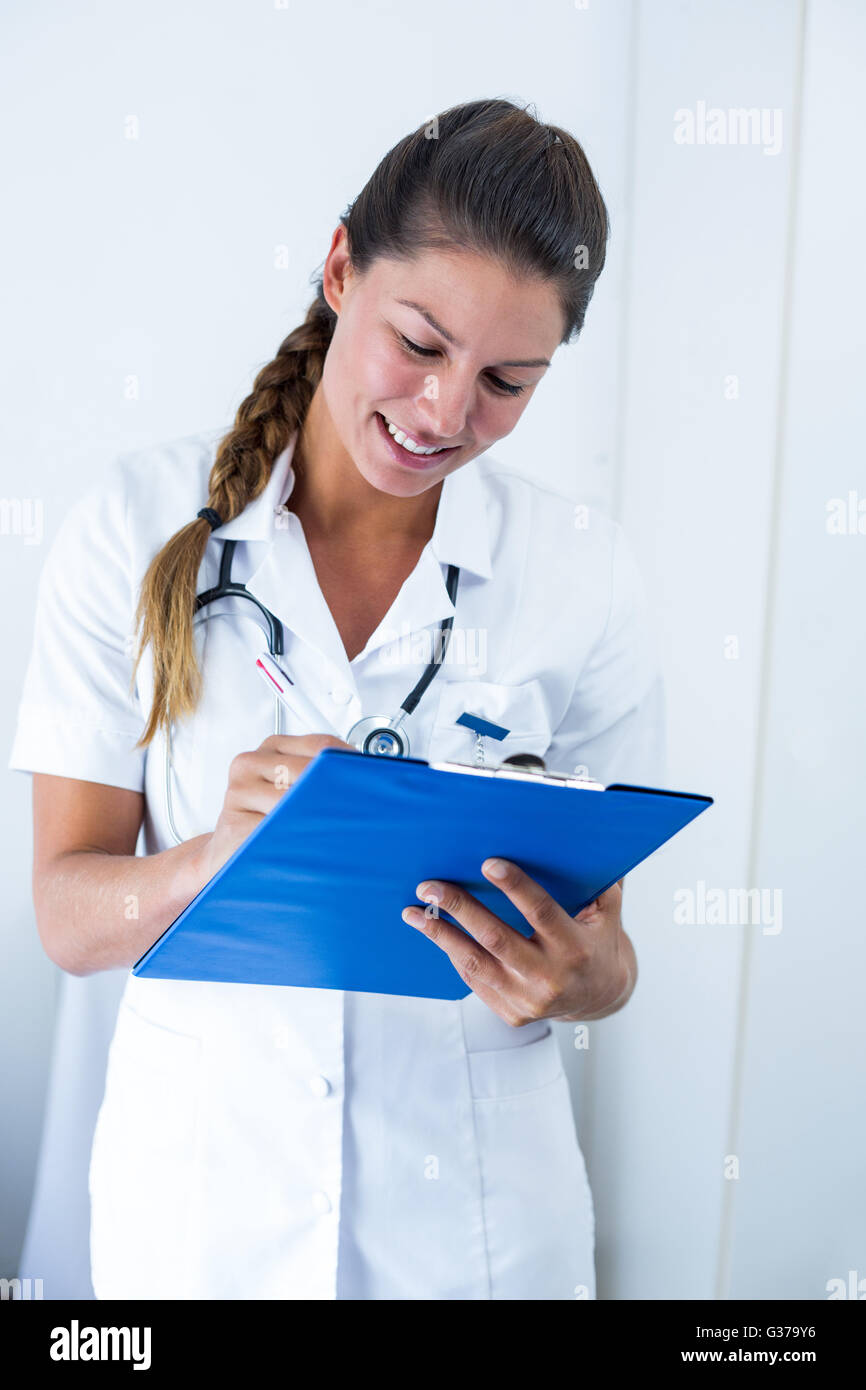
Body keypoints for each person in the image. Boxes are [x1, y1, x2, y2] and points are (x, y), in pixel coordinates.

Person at [9, 97, 665, 1300]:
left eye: (506, 380)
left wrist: (579, 981)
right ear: (337, 269)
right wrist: (207, 860)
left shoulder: (583, 573)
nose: (443, 415)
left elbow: (611, 954)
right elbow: (66, 913)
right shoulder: (126, 527)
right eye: (418, 344)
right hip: (203, 1225)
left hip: (476, 1237)